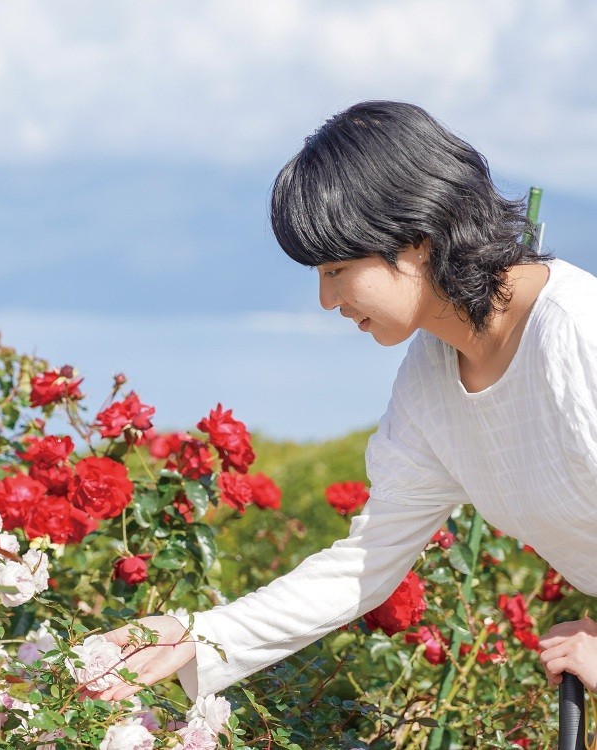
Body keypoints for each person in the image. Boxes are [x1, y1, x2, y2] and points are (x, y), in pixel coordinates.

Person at [93, 100, 597, 704]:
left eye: (336, 269)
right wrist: (199, 636)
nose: (326, 301)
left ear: (416, 239)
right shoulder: (431, 381)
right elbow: (365, 561)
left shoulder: (577, 332)